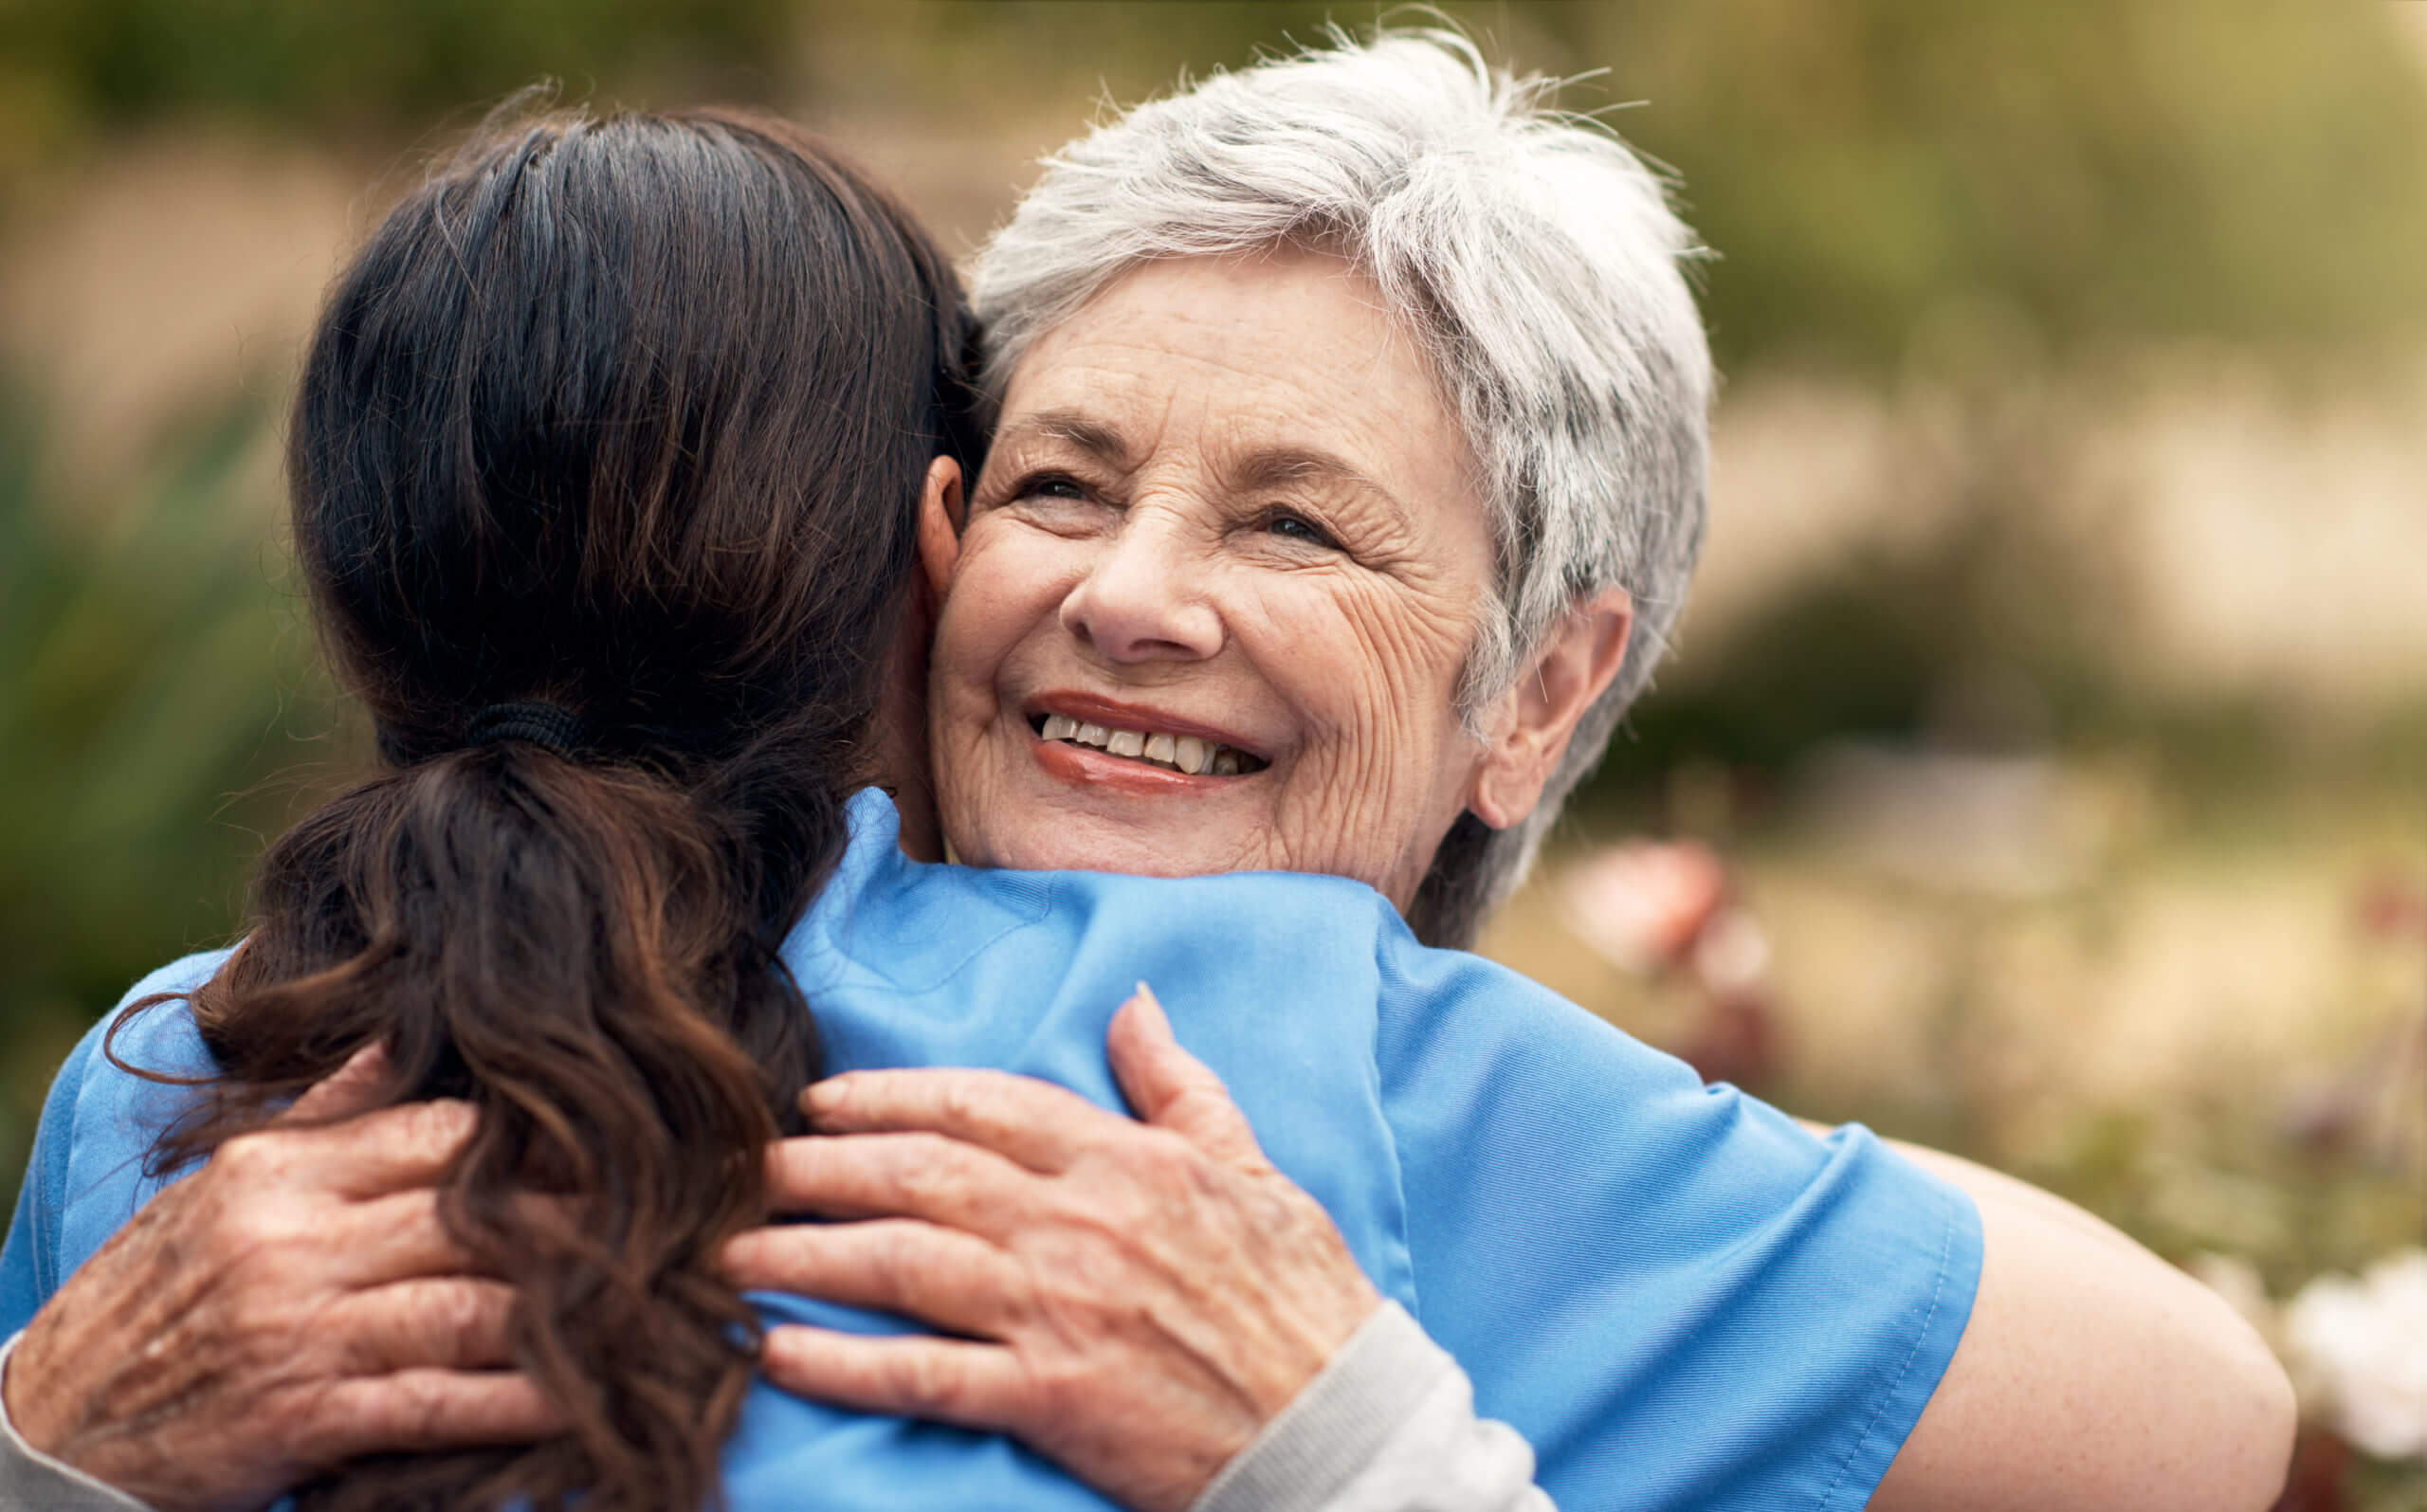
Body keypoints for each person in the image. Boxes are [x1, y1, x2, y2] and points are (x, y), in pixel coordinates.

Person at [1, 30, 2294, 1512]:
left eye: (1291, 520)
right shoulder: (1328, 1060)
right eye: (1062, 486)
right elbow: (2206, 1428)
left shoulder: (165, 1072)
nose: (1128, 600)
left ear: (1538, 692)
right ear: (918, 542)